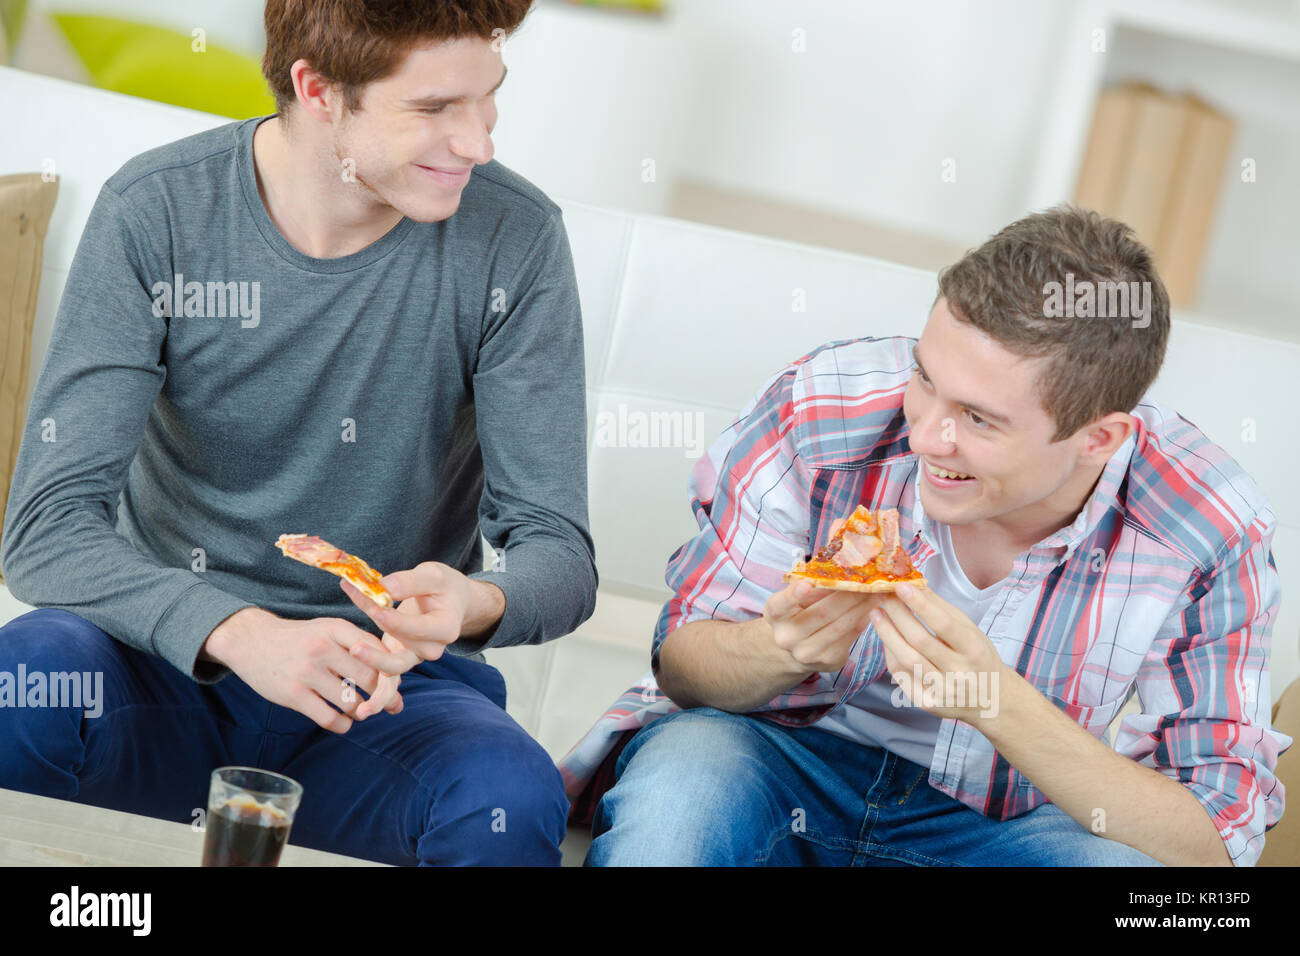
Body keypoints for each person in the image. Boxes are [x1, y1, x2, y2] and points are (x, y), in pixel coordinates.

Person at [0, 0, 594, 866]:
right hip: (159, 669)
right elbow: (45, 532)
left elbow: (557, 551)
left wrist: (474, 601)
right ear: (318, 90)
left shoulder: (517, 240)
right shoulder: (156, 211)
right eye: (433, 110)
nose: (479, 144)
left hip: (385, 700)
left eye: (487, 99)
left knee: (506, 794)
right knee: (23, 682)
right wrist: (240, 633)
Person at [560, 206, 1290, 867]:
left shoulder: (1207, 528)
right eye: (924, 376)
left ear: (1099, 438)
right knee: (677, 802)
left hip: (1010, 826)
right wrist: (773, 650)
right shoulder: (823, 408)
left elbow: (1216, 836)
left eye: (979, 419)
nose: (924, 435)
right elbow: (683, 667)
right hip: (770, 757)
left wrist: (996, 702)